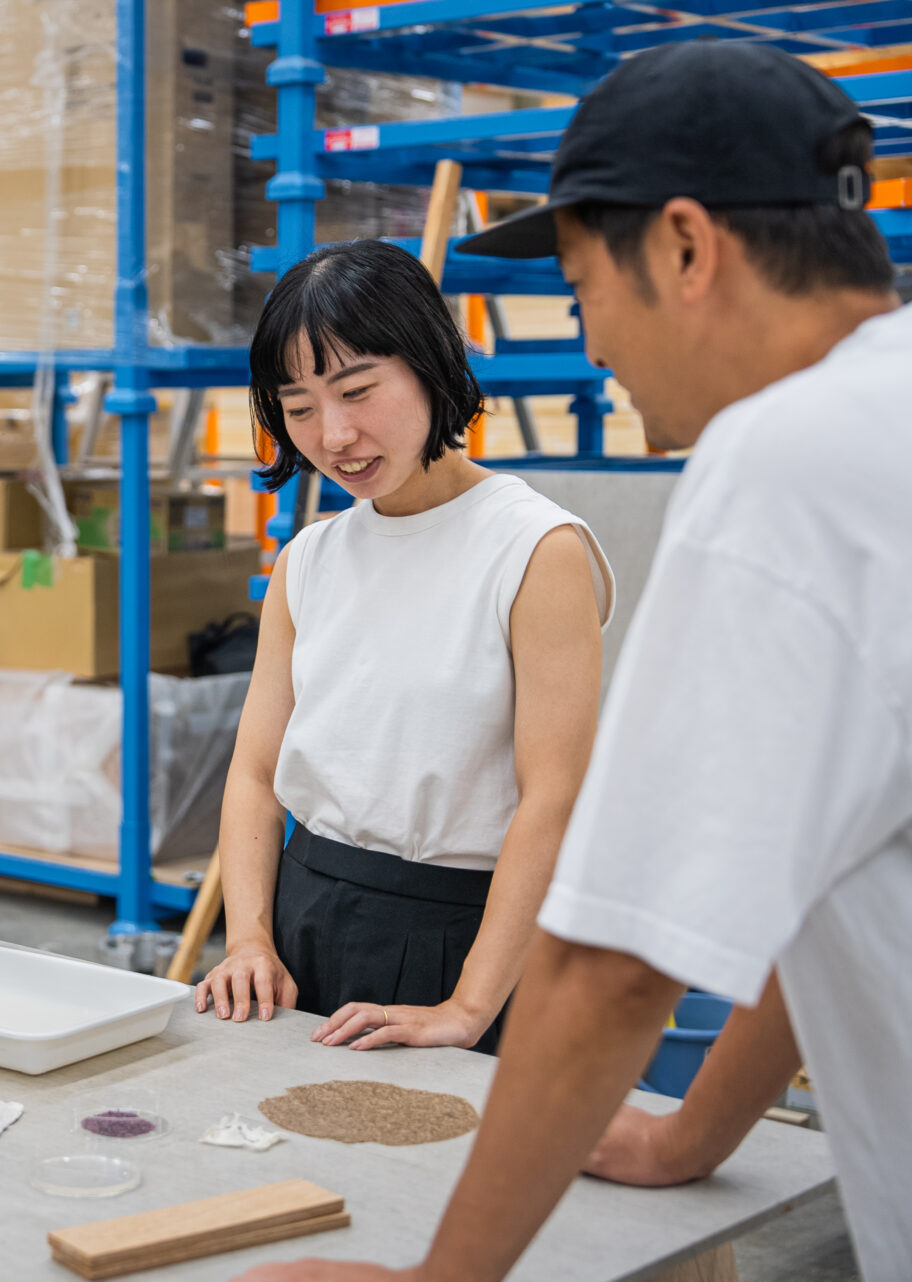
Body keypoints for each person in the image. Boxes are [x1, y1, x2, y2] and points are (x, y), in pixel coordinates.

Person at [240, 41, 909, 1282]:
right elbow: (828, 874)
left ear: (688, 248)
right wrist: (692, 1136)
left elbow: (614, 963)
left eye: (586, 289)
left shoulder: (791, 465)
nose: (593, 346)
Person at [194, 239, 613, 1054]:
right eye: (299, 406)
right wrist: (247, 940)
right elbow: (254, 775)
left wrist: (468, 1006)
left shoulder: (535, 548)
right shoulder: (309, 559)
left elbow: (554, 799)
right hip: (301, 919)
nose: (335, 434)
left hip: (464, 938)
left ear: (428, 364)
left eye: (358, 391)